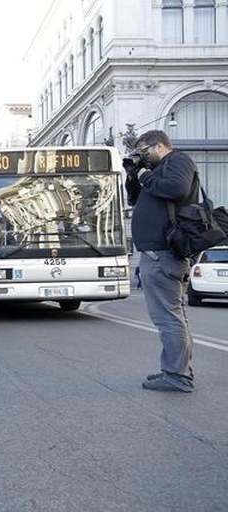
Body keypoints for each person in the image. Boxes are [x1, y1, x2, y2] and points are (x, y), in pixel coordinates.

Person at [125, 129, 198, 393]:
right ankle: (178, 370)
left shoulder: (178, 160)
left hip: (163, 253)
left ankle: (177, 376)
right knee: (173, 315)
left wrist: (145, 175)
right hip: (160, 253)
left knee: (168, 317)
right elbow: (134, 198)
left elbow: (177, 189)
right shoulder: (157, 170)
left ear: (159, 146)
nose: (141, 156)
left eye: (143, 151)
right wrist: (134, 175)